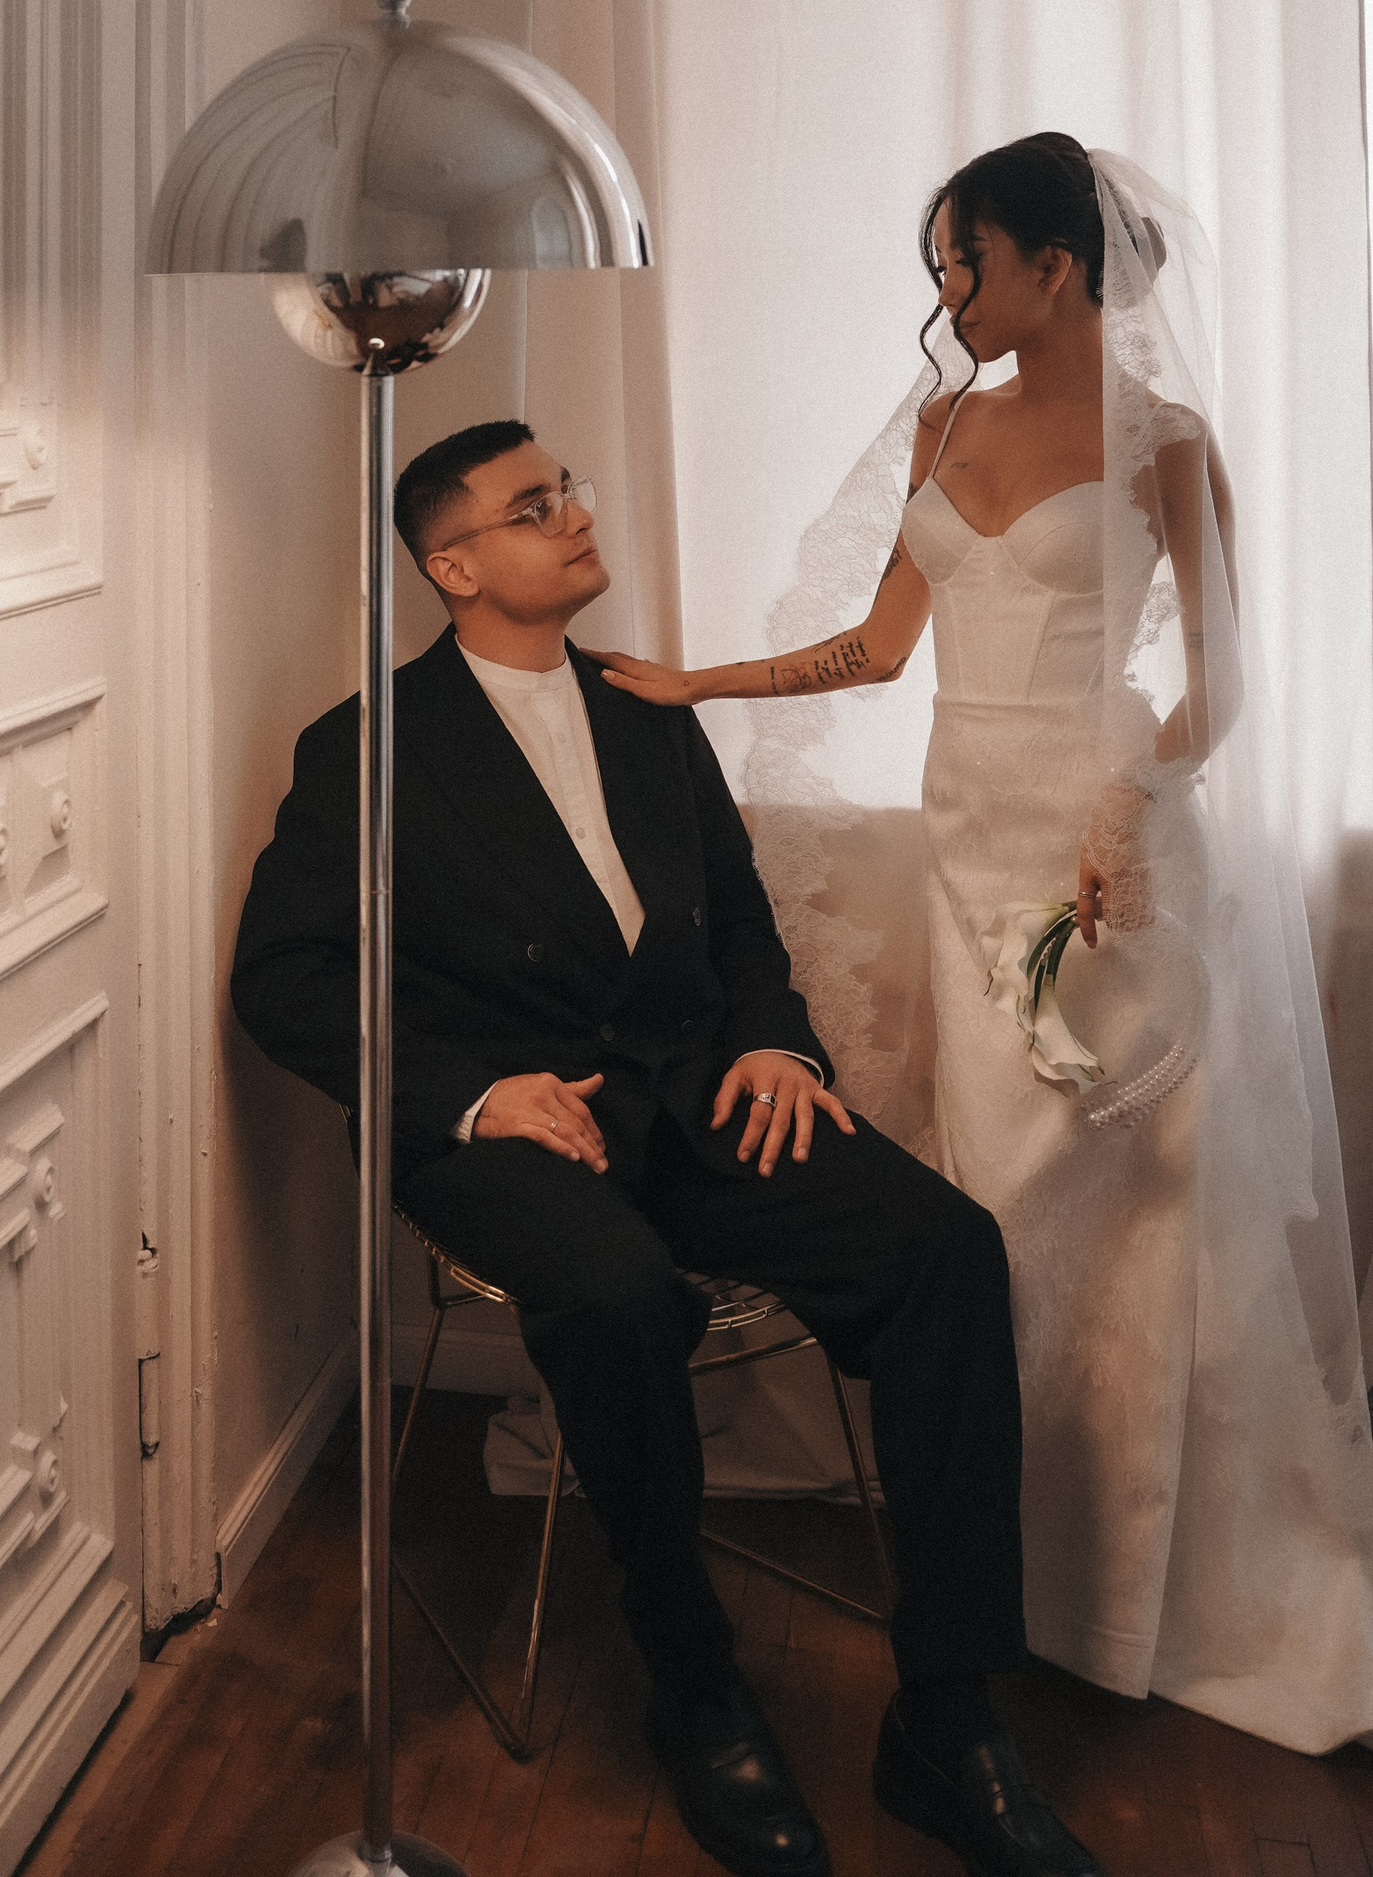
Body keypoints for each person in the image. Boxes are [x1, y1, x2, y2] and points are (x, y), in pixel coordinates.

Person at [234, 419, 1104, 1877]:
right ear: (453, 566)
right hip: (512, 1125)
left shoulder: (648, 710)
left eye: (566, 489)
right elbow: (284, 981)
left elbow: (744, 925)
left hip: (701, 1093)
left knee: (946, 1250)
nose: (574, 514)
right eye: (531, 507)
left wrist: (778, 1044)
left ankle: (950, 1720)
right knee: (622, 1298)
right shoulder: (367, 744)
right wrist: (473, 1095)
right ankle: (696, 1685)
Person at [600, 134, 1373, 1753]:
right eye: (941, 267)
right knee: (988, 1215)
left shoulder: (1169, 443)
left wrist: (1133, 803)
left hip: (1101, 852)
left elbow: (1227, 682)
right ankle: (997, 1572)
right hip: (966, 839)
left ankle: (1126, 1587)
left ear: (1054, 267)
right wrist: (698, 684)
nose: (945, 296)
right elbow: (884, 646)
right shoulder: (945, 426)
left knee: (1119, 1216)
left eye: (963, 263)